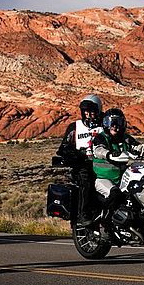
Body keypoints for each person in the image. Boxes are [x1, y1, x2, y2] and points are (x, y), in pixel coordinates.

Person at [55, 94, 104, 224]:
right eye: (86, 111)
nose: (89, 114)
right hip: (83, 165)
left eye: (92, 111)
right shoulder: (75, 127)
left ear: (98, 110)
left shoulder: (106, 125)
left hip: (105, 163)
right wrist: (76, 155)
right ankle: (84, 214)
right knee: (86, 180)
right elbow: (63, 148)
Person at [90, 108, 144, 215]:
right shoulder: (101, 138)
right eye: (111, 122)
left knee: (139, 192)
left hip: (123, 178)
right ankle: (105, 220)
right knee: (115, 194)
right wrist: (108, 154)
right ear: (105, 123)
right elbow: (98, 149)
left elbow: (140, 148)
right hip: (103, 179)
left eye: (118, 122)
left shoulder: (125, 139)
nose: (115, 126)